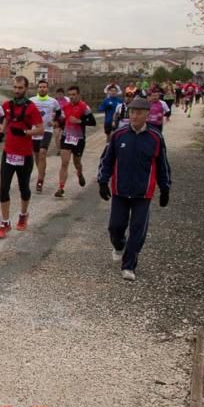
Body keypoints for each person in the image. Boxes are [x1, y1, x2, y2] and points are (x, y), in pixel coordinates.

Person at [97, 96, 172, 281]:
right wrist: (102, 181)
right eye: (132, 112)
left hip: (143, 193)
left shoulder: (155, 138)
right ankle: (118, 245)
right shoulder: (118, 135)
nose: (134, 116)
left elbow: (162, 165)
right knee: (115, 226)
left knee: (138, 230)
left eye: (138, 113)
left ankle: (129, 265)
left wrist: (165, 188)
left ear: (147, 114)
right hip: (120, 190)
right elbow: (107, 160)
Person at [0, 76, 44, 238]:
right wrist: (1, 131)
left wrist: (25, 132)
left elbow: (40, 129)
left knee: (24, 188)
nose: (17, 90)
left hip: (24, 155)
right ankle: (5, 222)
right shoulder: (6, 105)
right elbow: (5, 121)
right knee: (4, 188)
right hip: (8, 153)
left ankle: (23, 215)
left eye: (20, 88)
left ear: (26, 88)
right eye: (15, 87)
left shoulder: (31, 108)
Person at [54, 85, 96, 197]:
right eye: (70, 95)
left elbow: (93, 122)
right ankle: (61, 188)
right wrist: (56, 123)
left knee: (77, 162)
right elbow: (61, 120)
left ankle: (79, 173)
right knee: (64, 163)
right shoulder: (66, 107)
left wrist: (79, 121)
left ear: (78, 95)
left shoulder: (84, 107)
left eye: (74, 95)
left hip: (79, 139)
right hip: (66, 137)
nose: (71, 97)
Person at [30, 79, 62, 193]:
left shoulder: (53, 101)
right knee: (37, 156)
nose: (42, 88)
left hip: (46, 130)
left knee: (43, 153)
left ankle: (40, 180)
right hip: (34, 131)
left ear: (47, 89)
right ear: (37, 88)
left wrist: (55, 122)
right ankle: (41, 172)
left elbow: (59, 114)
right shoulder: (31, 100)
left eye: (44, 87)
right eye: (40, 87)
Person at [51, 87, 68, 156]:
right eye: (58, 94)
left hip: (65, 120)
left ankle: (66, 148)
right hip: (57, 120)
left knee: (64, 135)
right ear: (56, 95)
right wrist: (53, 115)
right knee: (56, 135)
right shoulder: (53, 101)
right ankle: (59, 150)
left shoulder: (67, 100)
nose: (59, 96)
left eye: (61, 94)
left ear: (63, 94)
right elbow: (51, 110)